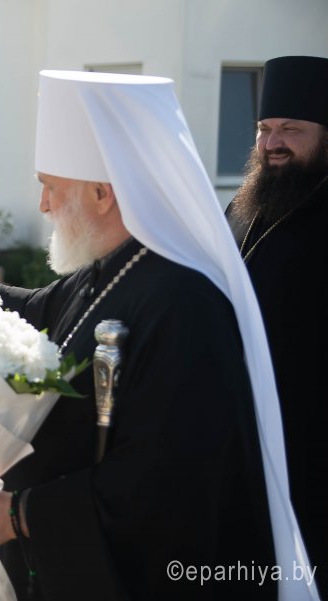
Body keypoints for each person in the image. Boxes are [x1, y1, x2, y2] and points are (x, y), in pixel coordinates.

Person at [0, 71, 316, 600]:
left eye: (51, 186)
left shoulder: (185, 303)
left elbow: (165, 479)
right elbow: (33, 313)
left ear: (102, 194)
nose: (43, 205)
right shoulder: (112, 266)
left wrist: (11, 515)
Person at [225, 55, 328, 596]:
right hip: (243, 426)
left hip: (311, 433)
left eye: (291, 129)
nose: (273, 143)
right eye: (265, 129)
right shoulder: (243, 206)